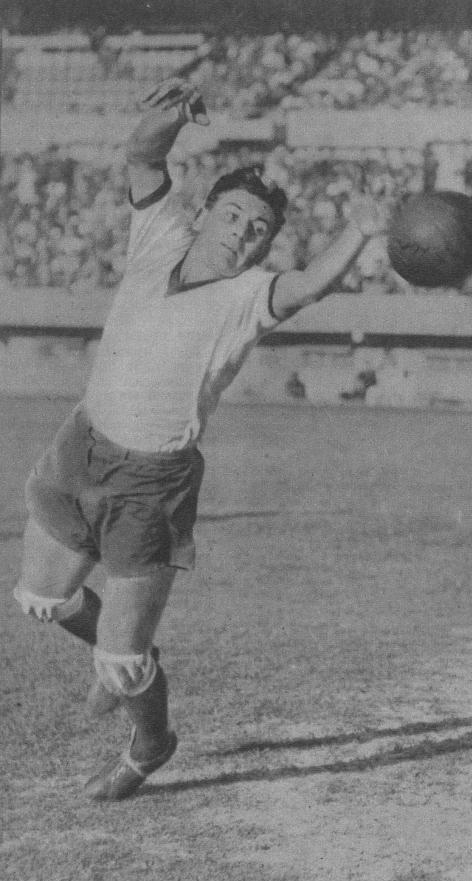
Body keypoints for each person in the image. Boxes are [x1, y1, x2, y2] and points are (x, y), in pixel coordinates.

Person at [13, 78, 386, 802]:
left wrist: (361, 233)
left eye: (258, 229)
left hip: (152, 483)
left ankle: (151, 741)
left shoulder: (252, 297)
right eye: (235, 215)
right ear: (208, 211)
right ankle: (121, 646)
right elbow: (144, 161)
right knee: (42, 598)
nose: (243, 232)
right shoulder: (160, 237)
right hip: (80, 445)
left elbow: (308, 286)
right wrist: (168, 121)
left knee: (122, 663)